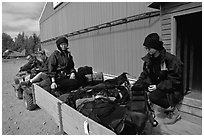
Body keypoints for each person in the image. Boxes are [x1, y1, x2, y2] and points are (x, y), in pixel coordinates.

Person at [131, 33, 183, 124]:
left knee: (153, 96)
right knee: (138, 87)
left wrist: (157, 86)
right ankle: (147, 109)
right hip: (157, 83)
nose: (147, 50)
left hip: (170, 88)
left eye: (149, 48)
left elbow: (175, 81)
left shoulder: (170, 60)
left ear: (156, 47)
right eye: (146, 48)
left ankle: (175, 112)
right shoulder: (149, 59)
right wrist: (137, 83)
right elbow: (145, 73)